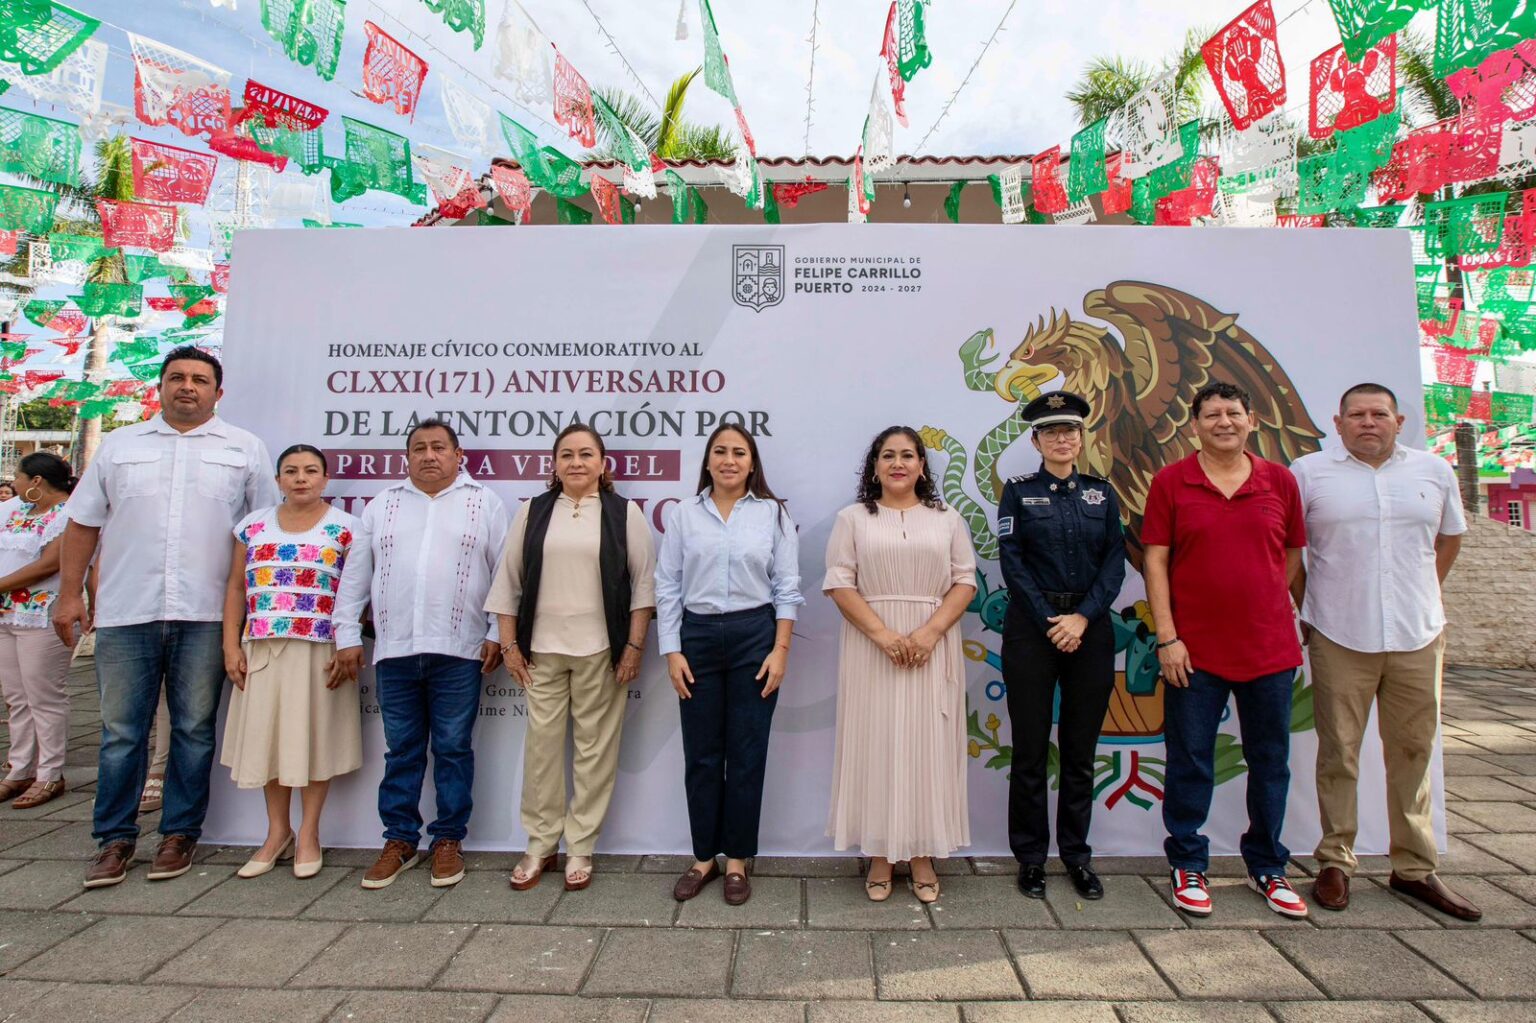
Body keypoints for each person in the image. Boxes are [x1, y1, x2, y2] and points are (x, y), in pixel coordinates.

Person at [55, 347, 278, 888]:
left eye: (200, 380)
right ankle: (114, 839)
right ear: (159, 387)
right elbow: (83, 524)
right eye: (177, 377)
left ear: (217, 394)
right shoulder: (120, 446)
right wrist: (68, 595)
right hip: (127, 610)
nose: (187, 387)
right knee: (120, 732)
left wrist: (254, 617)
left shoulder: (244, 449)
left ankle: (179, 834)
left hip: (206, 615)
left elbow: (264, 535)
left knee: (195, 731)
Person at [1292, 383, 1480, 921]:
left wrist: (1425, 592)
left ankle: (1414, 868)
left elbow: (1449, 539)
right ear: (1338, 420)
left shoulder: (1433, 471)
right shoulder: (1309, 473)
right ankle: (1335, 860)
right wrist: (1310, 608)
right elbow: (1291, 550)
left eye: (1379, 414)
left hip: (1417, 633)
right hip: (1338, 632)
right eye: (1357, 414)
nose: (1368, 423)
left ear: (1399, 420)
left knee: (1413, 751)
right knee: (1339, 752)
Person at [1142, 381, 1309, 919]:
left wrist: (1264, 605)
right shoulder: (1172, 482)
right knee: (1190, 760)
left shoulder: (1279, 481)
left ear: (1251, 420)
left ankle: (1268, 866)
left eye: (1233, 413)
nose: (1223, 422)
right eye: (1211, 415)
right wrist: (1168, 637)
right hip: (1193, 652)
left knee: (1270, 762)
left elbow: (1291, 557)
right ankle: (1188, 862)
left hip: (1269, 649)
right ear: (1194, 426)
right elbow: (1156, 562)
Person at [333, 418, 509, 891]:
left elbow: (504, 576)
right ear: (405, 457)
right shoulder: (383, 505)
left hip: (460, 649)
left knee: (453, 749)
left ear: (458, 455)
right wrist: (346, 634)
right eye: (419, 448)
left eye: (438, 448)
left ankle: (449, 839)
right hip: (395, 651)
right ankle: (399, 840)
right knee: (403, 751)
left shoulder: (483, 503)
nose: (429, 455)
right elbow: (355, 576)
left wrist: (496, 631)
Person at [488, 423, 656, 893]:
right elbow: (509, 583)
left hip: (603, 651)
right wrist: (509, 645)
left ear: (604, 465)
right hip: (541, 650)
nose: (576, 463)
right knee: (541, 751)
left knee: (594, 752)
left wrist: (634, 647)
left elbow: (644, 588)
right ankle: (540, 843)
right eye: (567, 455)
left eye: (586, 454)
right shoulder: (532, 512)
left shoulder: (625, 514)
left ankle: (580, 845)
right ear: (554, 464)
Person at [824, 427, 977, 904]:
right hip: (873, 647)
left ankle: (923, 853)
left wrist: (929, 633)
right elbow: (838, 582)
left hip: (933, 646)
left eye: (907, 455)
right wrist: (884, 635)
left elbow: (965, 581)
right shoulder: (852, 519)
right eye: (887, 455)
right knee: (878, 744)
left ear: (922, 466)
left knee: (927, 746)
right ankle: (879, 853)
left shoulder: (947, 518)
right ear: (874, 467)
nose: (898, 463)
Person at [655, 425, 803, 906]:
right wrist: (672, 650)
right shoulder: (683, 515)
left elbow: (787, 587)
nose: (729, 460)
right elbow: (667, 586)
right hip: (696, 637)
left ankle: (736, 859)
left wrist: (780, 650)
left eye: (739, 452)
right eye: (720, 451)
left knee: (746, 753)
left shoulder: (773, 515)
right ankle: (704, 859)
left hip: (754, 637)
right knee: (701, 755)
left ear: (752, 463)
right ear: (708, 460)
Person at [997, 392, 1126, 901]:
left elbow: (1115, 562)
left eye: (1069, 431)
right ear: (1035, 440)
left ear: (1081, 437)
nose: (1061, 439)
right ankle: (1030, 858)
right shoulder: (1019, 492)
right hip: (1033, 629)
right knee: (1029, 750)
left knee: (1079, 751)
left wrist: (1082, 617)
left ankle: (1076, 856)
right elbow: (1012, 562)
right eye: (1050, 432)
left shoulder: (1101, 492)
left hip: (1090, 628)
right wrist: (1053, 619)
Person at [221, 444, 363, 880]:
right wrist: (230, 646)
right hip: (262, 646)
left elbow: (353, 593)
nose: (301, 478)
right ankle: (276, 831)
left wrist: (346, 644)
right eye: (291, 471)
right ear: (279, 479)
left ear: (325, 478)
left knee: (314, 741)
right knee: (267, 741)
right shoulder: (252, 526)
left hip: (320, 649)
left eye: (310, 471)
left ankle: (309, 833)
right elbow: (234, 590)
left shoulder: (347, 529)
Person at [0, 453, 77, 809]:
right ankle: (19, 769)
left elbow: (48, 564)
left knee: (43, 696)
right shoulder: (14, 511)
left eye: (17, 476)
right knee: (17, 696)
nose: (12, 482)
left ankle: (50, 772)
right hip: (7, 612)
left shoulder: (68, 514)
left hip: (43, 612)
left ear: (36, 482)